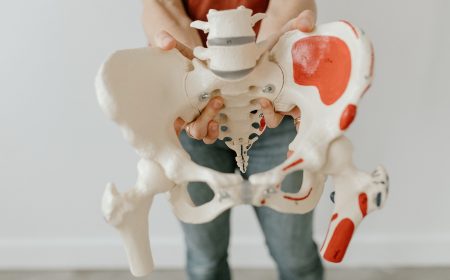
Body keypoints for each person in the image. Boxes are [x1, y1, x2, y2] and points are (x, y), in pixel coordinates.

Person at [142, 1, 323, 279]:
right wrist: (194, 86)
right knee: (205, 261)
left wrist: (265, 76)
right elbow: (163, 9)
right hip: (194, 114)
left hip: (276, 111)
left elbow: (287, 8)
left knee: (294, 256)